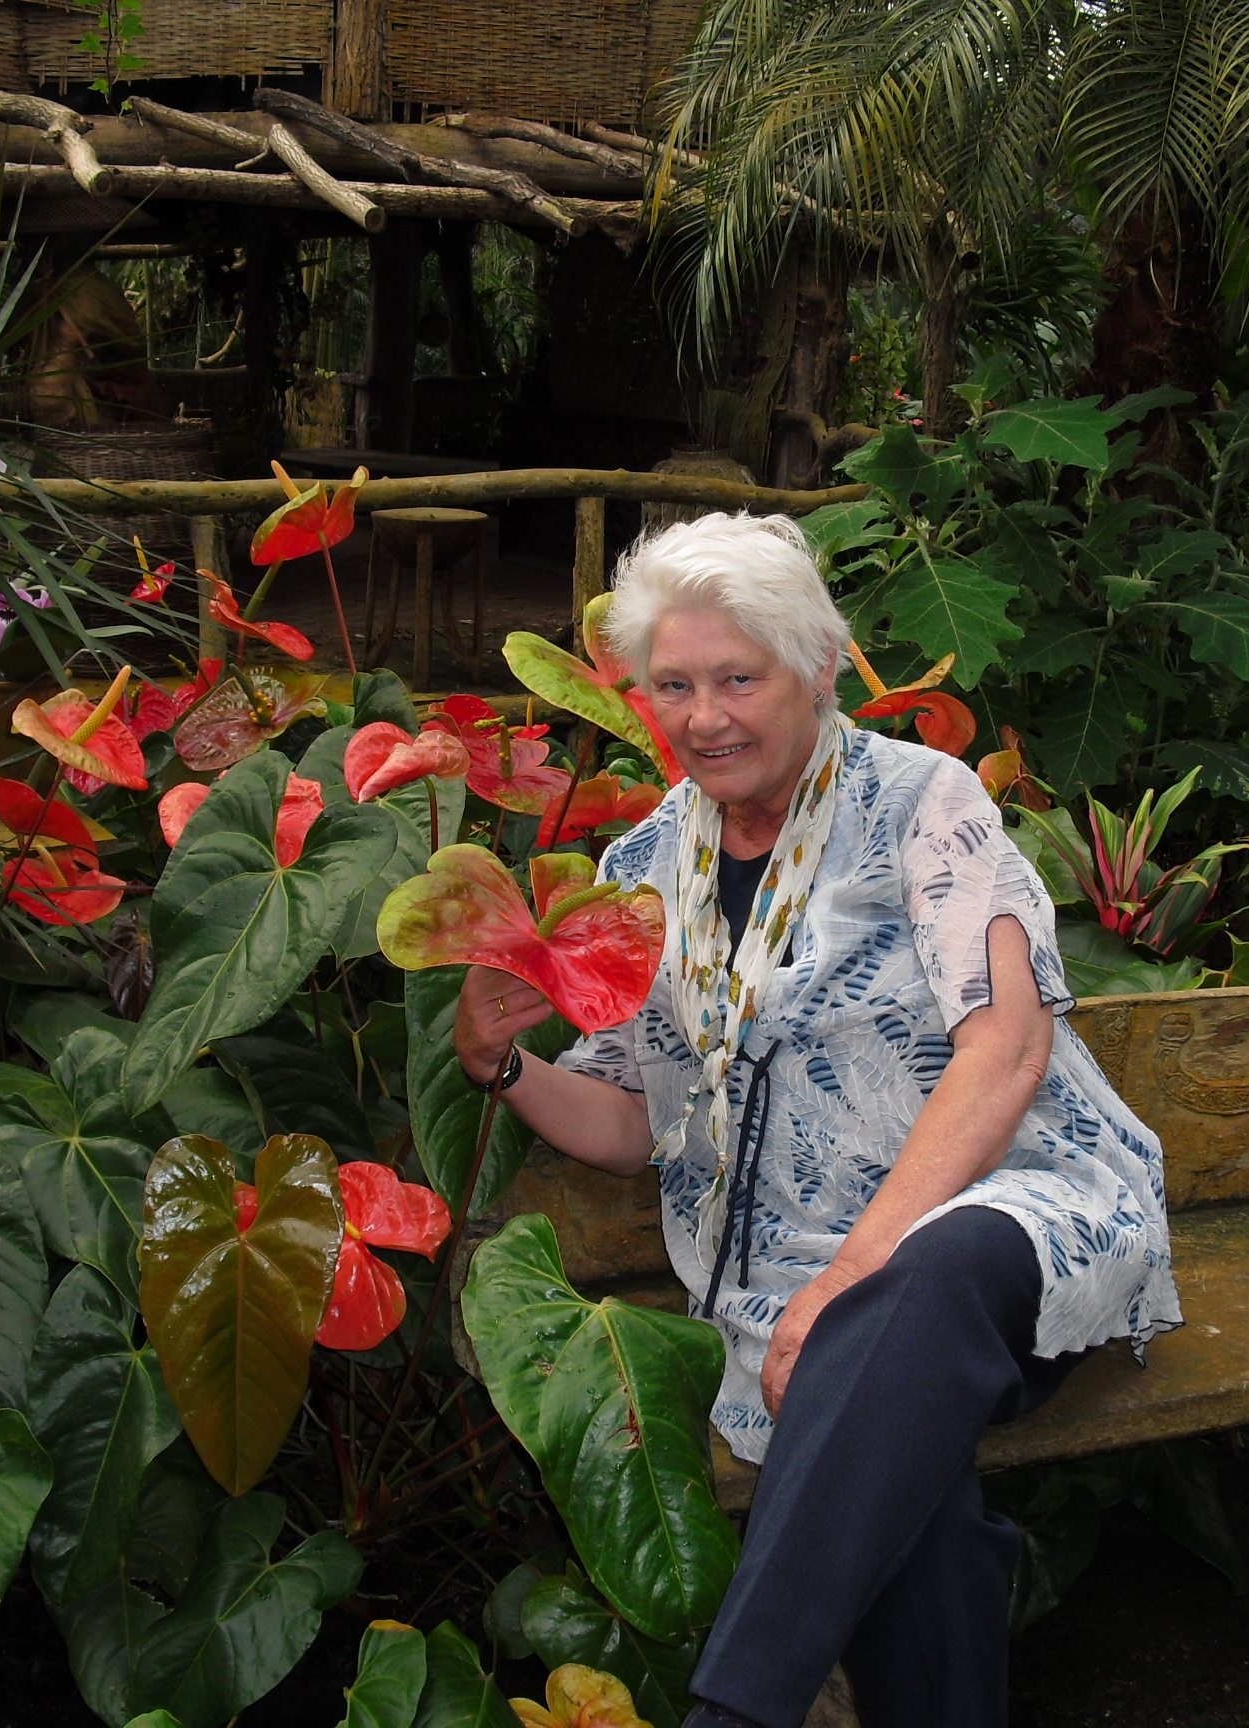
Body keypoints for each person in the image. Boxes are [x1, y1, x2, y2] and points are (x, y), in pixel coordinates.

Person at [453, 511, 1180, 1728]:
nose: (704, 716)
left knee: (910, 1295)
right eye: (674, 685)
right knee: (905, 1466)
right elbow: (637, 1126)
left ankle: (732, 1714)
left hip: (1010, 1217)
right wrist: (498, 1063)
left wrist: (848, 1275)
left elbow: (1006, 1048)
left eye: (740, 677)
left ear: (819, 667)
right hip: (798, 1294)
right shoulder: (645, 867)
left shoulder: (922, 804)